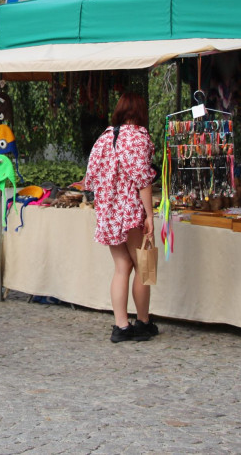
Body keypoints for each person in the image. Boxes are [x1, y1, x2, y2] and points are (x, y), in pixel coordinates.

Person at [82, 91, 159, 343]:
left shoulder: (104, 138)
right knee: (143, 265)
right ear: (140, 112)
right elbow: (143, 181)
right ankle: (143, 322)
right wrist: (149, 215)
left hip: (108, 213)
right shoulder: (138, 137)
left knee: (121, 267)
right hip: (131, 212)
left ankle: (121, 326)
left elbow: (90, 179)